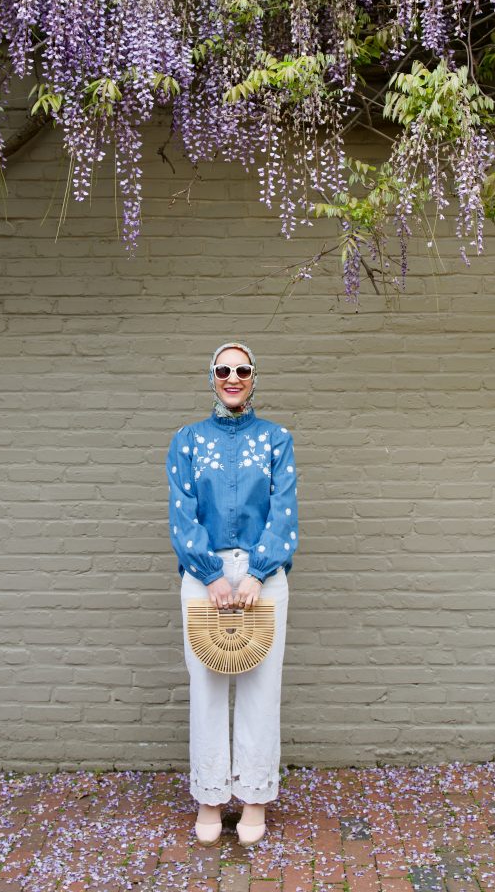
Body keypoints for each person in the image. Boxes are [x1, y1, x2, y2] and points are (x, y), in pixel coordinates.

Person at [166, 341, 298, 848]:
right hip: (205, 577)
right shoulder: (187, 440)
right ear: (212, 377)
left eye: (242, 370)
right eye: (223, 370)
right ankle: (210, 796)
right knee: (206, 686)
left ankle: (255, 796)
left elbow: (284, 509)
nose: (233, 377)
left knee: (262, 687)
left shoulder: (277, 439)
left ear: (254, 377)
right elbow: (182, 511)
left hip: (264, 576)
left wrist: (258, 574)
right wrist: (210, 574)